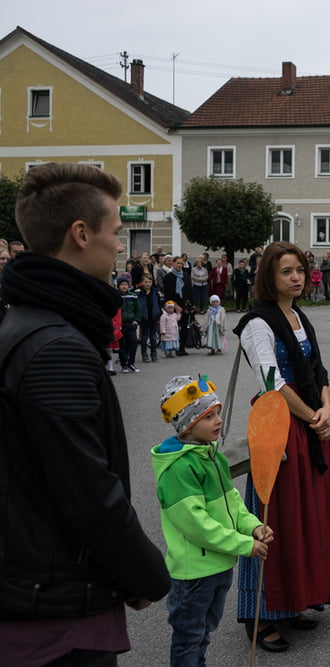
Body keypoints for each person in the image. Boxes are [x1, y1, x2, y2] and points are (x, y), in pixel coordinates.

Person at [0, 162, 169, 664]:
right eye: (115, 233)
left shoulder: (29, 323)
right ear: (80, 234)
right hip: (53, 610)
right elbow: (87, 492)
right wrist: (144, 574)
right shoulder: (56, 345)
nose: (119, 247)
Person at [232, 242, 330, 651]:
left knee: (306, 516)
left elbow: (319, 369)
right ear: (270, 276)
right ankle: (260, 614)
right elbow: (272, 383)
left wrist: (326, 408)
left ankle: (294, 600)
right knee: (274, 518)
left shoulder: (299, 316)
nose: (296, 277)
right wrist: (313, 416)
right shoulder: (257, 324)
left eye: (299, 269)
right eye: (286, 271)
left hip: (310, 421)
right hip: (280, 426)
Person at [153, 374, 273, 666]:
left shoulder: (212, 455)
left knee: (204, 633)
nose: (218, 420)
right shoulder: (179, 469)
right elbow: (197, 525)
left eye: (218, 413)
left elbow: (232, 501)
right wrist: (244, 545)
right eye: (208, 416)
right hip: (194, 573)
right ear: (187, 424)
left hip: (219, 563)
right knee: (189, 638)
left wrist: (253, 526)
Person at [118, 274, 141, 373]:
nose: (124, 287)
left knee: (134, 343)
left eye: (126, 285)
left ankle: (131, 363)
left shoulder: (133, 296)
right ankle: (124, 364)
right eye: (122, 285)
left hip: (131, 324)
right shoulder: (116, 296)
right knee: (122, 345)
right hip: (121, 325)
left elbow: (138, 309)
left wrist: (136, 320)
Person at [137, 274, 161, 363]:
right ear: (142, 282)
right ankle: (144, 353)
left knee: (153, 337)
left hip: (153, 317)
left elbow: (158, 303)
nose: (148, 284)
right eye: (146, 282)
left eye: (149, 282)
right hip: (144, 318)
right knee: (144, 337)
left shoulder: (155, 292)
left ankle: (153, 353)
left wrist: (158, 313)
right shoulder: (139, 292)